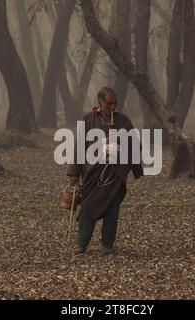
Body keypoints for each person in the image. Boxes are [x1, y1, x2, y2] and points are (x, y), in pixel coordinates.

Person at [67, 87, 143, 255]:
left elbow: (135, 145)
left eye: (114, 103)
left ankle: (107, 245)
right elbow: (79, 146)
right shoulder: (88, 120)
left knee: (112, 210)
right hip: (93, 173)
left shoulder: (123, 121)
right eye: (109, 103)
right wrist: (74, 173)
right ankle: (82, 244)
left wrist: (134, 166)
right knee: (87, 208)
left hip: (115, 175)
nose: (112, 106)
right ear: (100, 102)